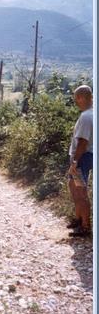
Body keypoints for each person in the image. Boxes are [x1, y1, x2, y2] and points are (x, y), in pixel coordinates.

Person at [67, 85, 93, 237]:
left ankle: (85, 227)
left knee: (80, 192)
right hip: (84, 157)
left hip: (82, 158)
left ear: (82, 98)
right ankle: (78, 219)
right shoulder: (91, 113)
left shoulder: (86, 116)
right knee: (73, 186)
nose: (75, 101)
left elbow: (83, 142)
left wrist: (75, 162)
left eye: (76, 98)